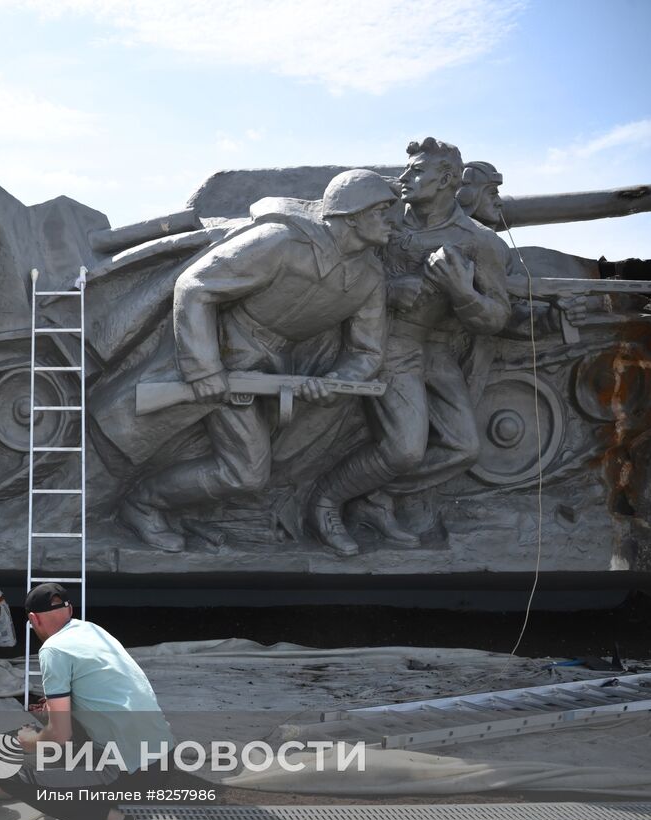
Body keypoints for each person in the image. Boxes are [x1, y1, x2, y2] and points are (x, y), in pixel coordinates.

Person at [116, 169, 398, 551]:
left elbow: (367, 353)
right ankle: (142, 504)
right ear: (352, 214)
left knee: (253, 470)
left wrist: (336, 381)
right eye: (381, 210)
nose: (390, 220)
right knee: (245, 472)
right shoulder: (281, 242)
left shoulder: (369, 277)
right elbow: (195, 286)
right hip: (229, 351)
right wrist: (204, 368)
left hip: (277, 367)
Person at [306, 138, 512, 556]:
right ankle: (326, 501)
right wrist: (388, 289)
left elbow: (496, 318)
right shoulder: (381, 221)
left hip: (432, 349)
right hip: (383, 343)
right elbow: (334, 269)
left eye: (416, 171)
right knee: (404, 448)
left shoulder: (480, 242)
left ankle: (373, 498)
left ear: (447, 180)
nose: (403, 178)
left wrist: (463, 293)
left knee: (463, 447)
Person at [18, 582, 174, 820]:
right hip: (165, 758)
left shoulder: (52, 650)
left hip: (133, 770)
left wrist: (32, 742)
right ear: (71, 610)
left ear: (33, 619)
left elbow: (60, 733)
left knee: (25, 776)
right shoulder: (93, 630)